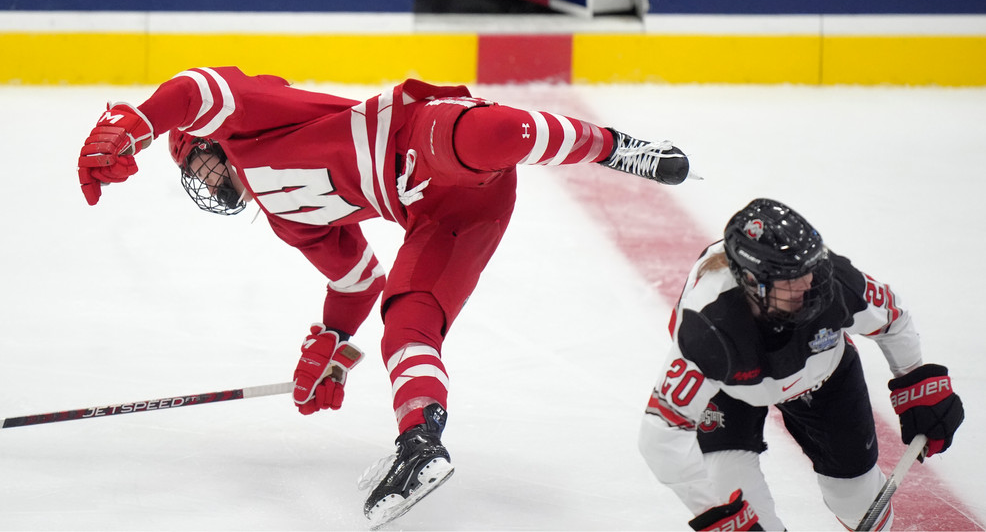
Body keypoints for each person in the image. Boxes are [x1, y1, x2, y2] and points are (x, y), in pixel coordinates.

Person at [76, 66, 692, 528]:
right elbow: (355, 279)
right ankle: (421, 442)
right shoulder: (287, 220)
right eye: (198, 177)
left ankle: (615, 147)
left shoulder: (248, 118)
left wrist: (138, 123)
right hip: (447, 217)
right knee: (406, 325)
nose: (209, 179)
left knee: (492, 130)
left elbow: (196, 87)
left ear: (212, 139)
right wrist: (333, 341)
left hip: (420, 136)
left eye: (202, 160)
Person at [637, 198, 964, 531]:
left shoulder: (833, 281)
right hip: (730, 392)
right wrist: (713, 512)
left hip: (825, 376)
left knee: (856, 501)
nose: (809, 284)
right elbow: (660, 437)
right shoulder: (709, 329)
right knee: (733, 494)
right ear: (752, 282)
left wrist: (916, 382)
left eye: (810, 269)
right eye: (790, 279)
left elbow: (892, 318)